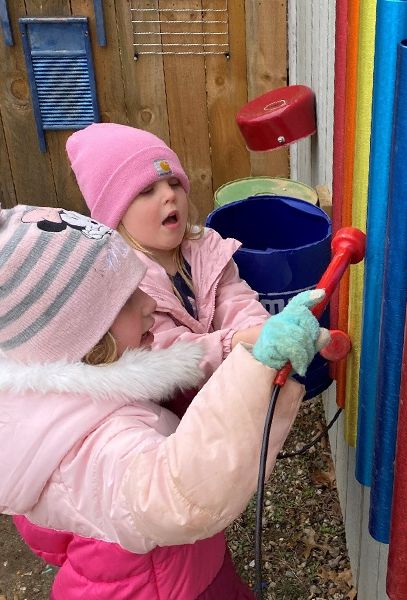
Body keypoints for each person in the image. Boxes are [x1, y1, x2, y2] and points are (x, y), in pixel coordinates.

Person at [0, 205, 330, 599]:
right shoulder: (95, 439)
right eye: (124, 300)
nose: (148, 304)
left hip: (174, 569)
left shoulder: (65, 399)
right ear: (76, 337)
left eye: (138, 286)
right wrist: (256, 367)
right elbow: (182, 496)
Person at [66, 123, 270, 416]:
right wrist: (238, 342)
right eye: (147, 190)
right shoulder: (123, 283)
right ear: (115, 215)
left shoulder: (205, 246)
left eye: (174, 183)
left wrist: (263, 331)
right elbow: (163, 348)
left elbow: (234, 298)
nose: (169, 195)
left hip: (229, 391)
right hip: (172, 417)